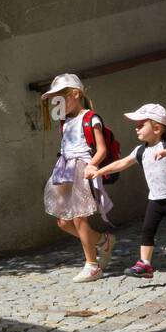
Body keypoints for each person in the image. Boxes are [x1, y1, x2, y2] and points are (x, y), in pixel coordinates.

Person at [86, 103, 166, 286]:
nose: (136, 128)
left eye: (141, 125)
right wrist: (99, 171)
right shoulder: (141, 150)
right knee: (147, 231)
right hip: (155, 199)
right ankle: (145, 264)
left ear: (157, 128)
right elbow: (121, 163)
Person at [41, 73, 115, 283]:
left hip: (82, 170)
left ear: (75, 94)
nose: (57, 103)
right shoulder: (65, 122)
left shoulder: (91, 118)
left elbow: (101, 149)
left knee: (79, 217)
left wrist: (92, 166)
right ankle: (103, 241)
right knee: (63, 222)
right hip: (64, 171)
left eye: (60, 97)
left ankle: (92, 265)